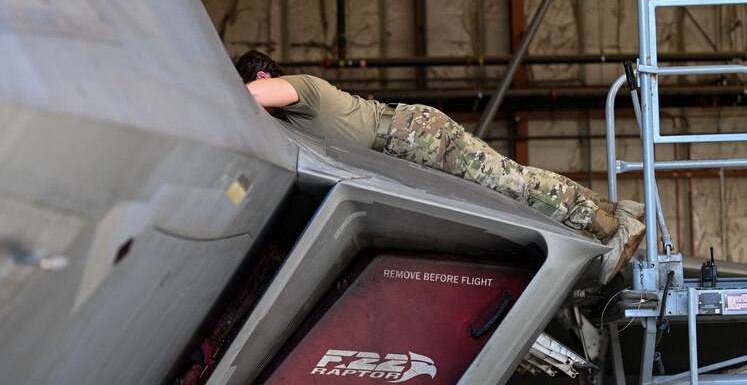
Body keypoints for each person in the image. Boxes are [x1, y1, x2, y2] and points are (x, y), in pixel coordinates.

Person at [235, 50, 645, 285]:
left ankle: (611, 227)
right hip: (405, 144)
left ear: (265, 75)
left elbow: (246, 96)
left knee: (507, 183)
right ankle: (613, 211)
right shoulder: (294, 123)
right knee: (508, 181)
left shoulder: (299, 89)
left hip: (412, 134)